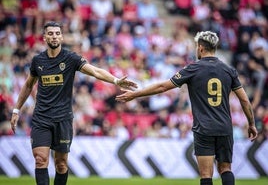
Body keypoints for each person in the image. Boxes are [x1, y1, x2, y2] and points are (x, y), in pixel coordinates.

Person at [116, 31, 258, 185]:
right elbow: (244, 100)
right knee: (226, 169)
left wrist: (136, 94)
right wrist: (251, 123)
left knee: (206, 174)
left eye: (197, 47)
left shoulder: (193, 69)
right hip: (224, 127)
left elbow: (164, 86)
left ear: (201, 48)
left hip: (203, 128)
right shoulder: (229, 70)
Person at [10, 21, 137, 185]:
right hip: (41, 117)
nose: (54, 36)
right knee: (40, 159)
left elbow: (95, 71)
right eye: (50, 33)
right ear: (44, 37)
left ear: (62, 37)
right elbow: (28, 85)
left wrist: (116, 80)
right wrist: (16, 110)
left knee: (61, 164)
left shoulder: (70, 58)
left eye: (57, 33)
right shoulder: (37, 61)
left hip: (63, 119)